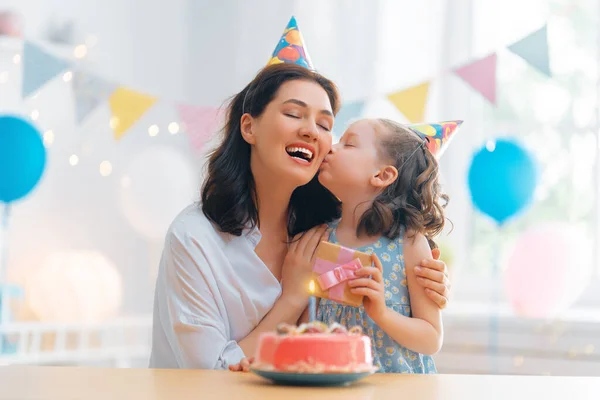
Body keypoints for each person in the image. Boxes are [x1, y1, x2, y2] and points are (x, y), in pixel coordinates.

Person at [149, 63, 452, 370]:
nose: (311, 131)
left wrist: (429, 281)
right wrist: (292, 297)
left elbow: (411, 300)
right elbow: (208, 375)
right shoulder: (193, 237)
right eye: (293, 114)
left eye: (324, 125)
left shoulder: (330, 227)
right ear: (249, 127)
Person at [314, 118, 447, 373]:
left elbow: (431, 338)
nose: (331, 147)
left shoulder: (409, 243)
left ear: (382, 175)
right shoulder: (321, 237)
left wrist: (382, 313)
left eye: (348, 144)